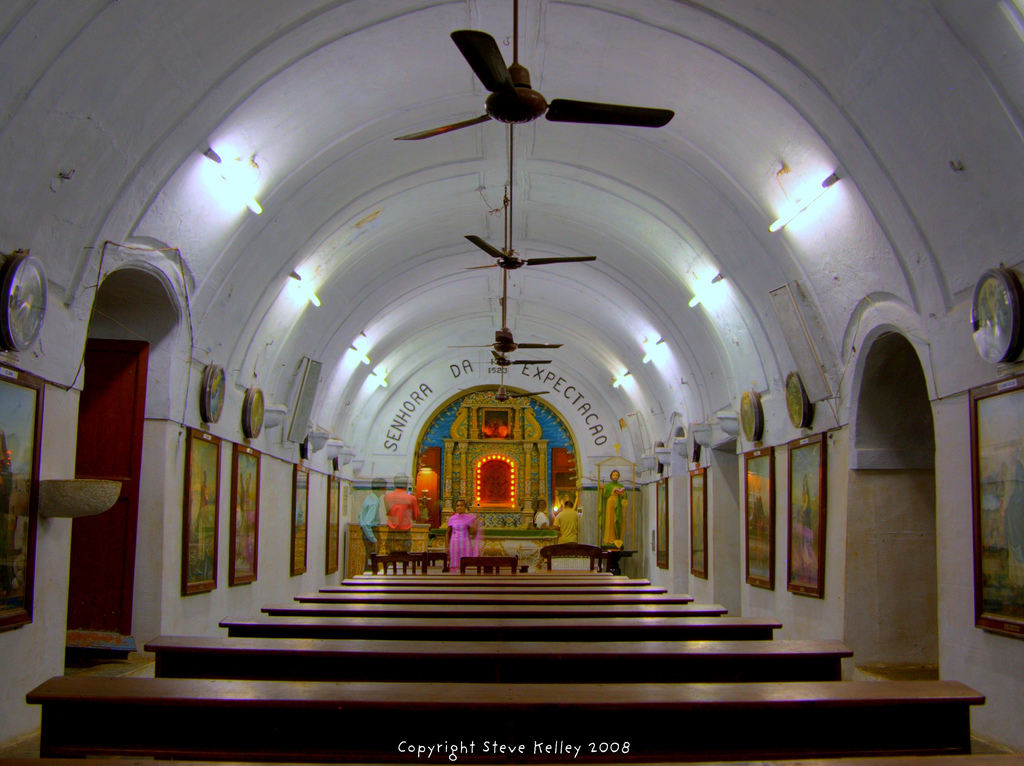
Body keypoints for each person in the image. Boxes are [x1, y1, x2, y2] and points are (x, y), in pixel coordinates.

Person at [383, 474, 419, 553]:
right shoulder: (411, 498)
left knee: (390, 556)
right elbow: (415, 516)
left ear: (394, 484)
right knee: (404, 557)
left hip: (391, 532)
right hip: (405, 533)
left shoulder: (387, 497)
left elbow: (388, 511)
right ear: (406, 485)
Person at [359, 477, 387, 571]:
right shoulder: (374, 503)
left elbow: (361, 517)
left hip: (367, 532)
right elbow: (367, 523)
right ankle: (371, 576)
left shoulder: (369, 498)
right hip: (372, 531)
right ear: (381, 488)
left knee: (370, 558)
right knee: (372, 559)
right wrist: (373, 539)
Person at [446, 498, 482, 571]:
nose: (459, 507)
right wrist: (447, 546)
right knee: (454, 563)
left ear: (465, 507)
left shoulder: (469, 518)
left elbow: (472, 532)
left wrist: (475, 525)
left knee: (465, 563)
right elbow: (447, 533)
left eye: (461, 505)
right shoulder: (452, 518)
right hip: (454, 544)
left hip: (465, 544)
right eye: (457, 506)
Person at [602, 469, 627, 547]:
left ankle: (616, 538)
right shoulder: (608, 486)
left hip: (617, 504)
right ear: (611, 476)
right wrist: (602, 489)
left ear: (618, 477)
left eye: (616, 475)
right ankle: (609, 539)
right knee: (609, 520)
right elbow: (603, 496)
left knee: (616, 520)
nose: (615, 476)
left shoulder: (621, 486)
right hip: (609, 504)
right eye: (614, 475)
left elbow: (625, 496)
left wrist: (622, 494)